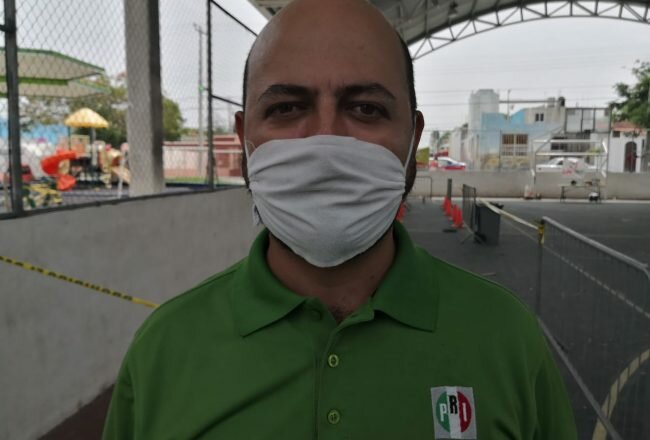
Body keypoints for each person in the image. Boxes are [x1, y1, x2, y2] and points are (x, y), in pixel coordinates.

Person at [103, 0, 577, 438]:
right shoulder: (162, 354)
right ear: (246, 140)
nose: (325, 143)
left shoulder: (506, 340)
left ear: (412, 141)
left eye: (366, 109)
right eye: (286, 108)